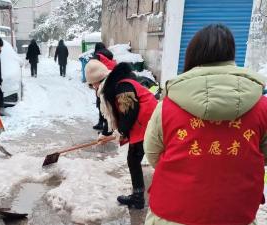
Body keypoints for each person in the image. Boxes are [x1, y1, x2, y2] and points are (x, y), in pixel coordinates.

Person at [144, 24, 267, 225]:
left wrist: (186, 167)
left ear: (192, 55)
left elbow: (153, 153)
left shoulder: (168, 104)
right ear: (231, 56)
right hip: (235, 213)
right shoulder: (262, 106)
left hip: (172, 212)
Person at [85, 59, 157, 209]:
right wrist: (111, 133)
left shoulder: (121, 86)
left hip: (146, 124)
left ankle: (140, 198)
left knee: (135, 159)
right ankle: (138, 197)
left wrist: (121, 132)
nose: (94, 89)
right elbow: (119, 114)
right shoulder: (116, 85)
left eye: (92, 85)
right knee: (134, 159)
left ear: (97, 80)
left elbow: (129, 112)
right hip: (144, 124)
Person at [91, 42, 116, 131]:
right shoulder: (110, 56)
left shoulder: (98, 55)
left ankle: (105, 126)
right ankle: (102, 123)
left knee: (102, 102)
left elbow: (91, 66)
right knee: (105, 102)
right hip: (112, 79)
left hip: (102, 80)